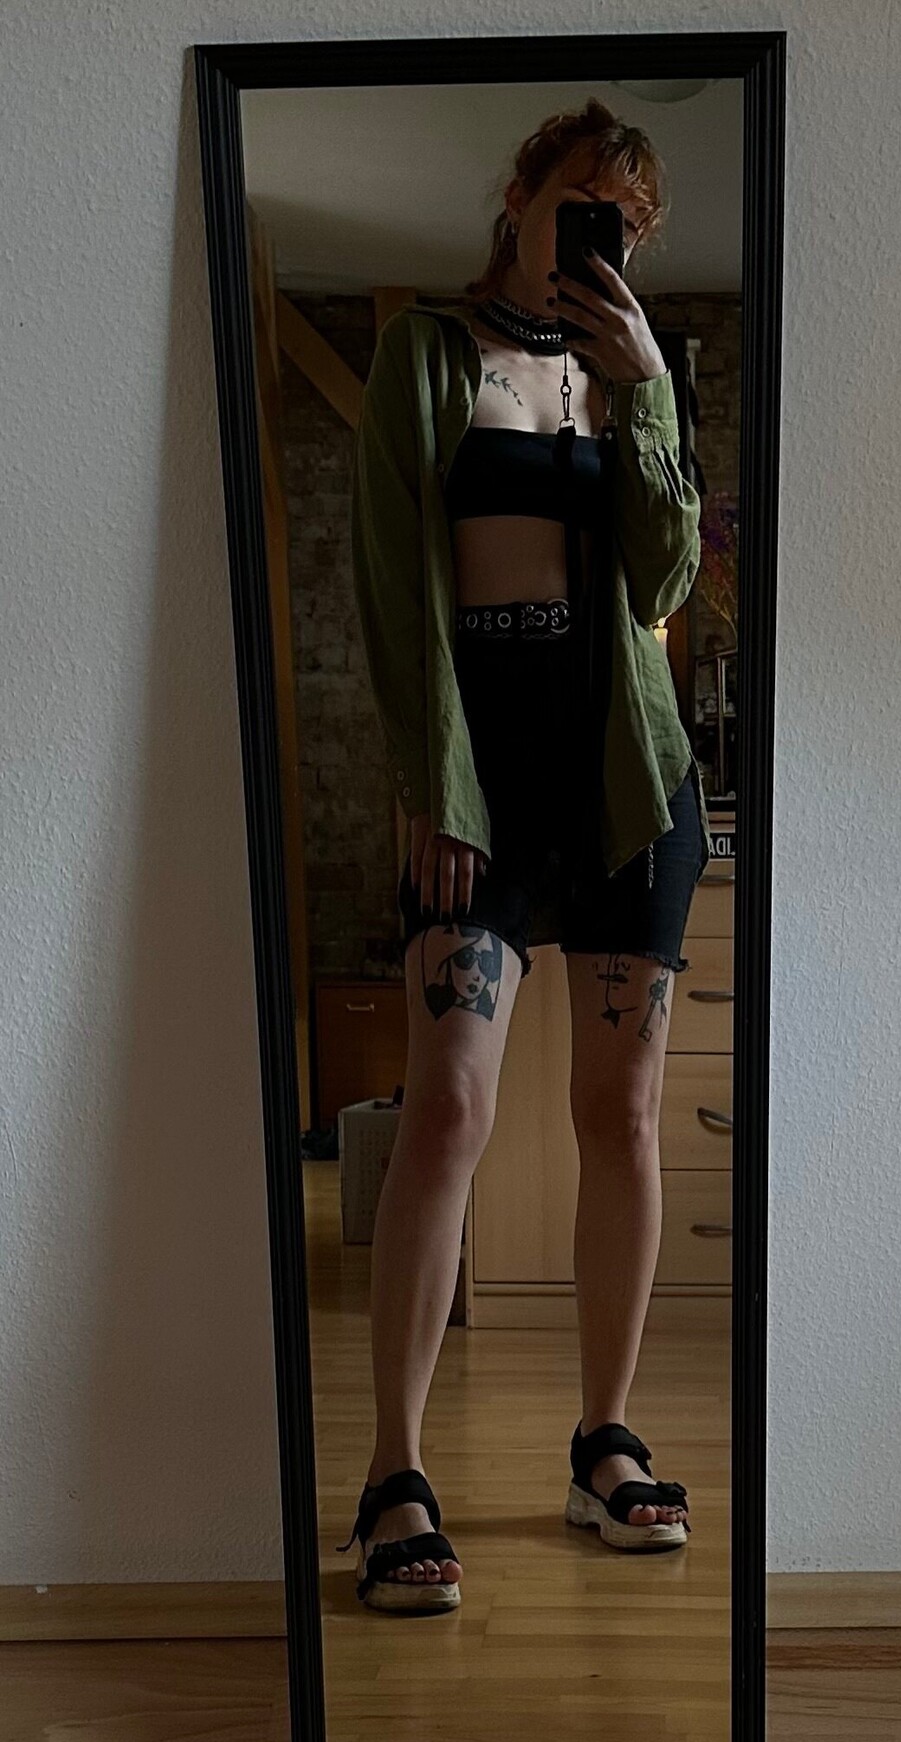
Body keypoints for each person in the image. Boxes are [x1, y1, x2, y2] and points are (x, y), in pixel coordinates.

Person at [338, 99, 709, 1613]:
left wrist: (648, 397)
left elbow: (667, 579)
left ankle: (603, 1439)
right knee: (450, 1105)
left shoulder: (631, 377)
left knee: (622, 1112)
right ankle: (394, 1470)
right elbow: (391, 584)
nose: (595, 238)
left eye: (626, 222)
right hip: (475, 780)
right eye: (579, 202)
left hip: (626, 780)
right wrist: (433, 790)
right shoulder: (425, 357)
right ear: (520, 197)